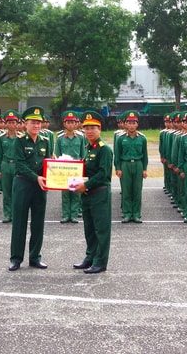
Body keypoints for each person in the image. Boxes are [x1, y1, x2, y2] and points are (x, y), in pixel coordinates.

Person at [8, 106, 51, 271]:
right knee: (19, 222)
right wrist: (36, 177)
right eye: (33, 123)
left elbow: (48, 163)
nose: (36, 126)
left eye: (39, 123)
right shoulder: (19, 141)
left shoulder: (46, 141)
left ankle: (35, 257)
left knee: (38, 223)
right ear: (25, 124)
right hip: (23, 184)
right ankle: (16, 258)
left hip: (40, 187)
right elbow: (20, 164)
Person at [72, 110, 112, 274]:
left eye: (93, 128)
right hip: (87, 194)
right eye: (86, 128)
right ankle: (90, 258)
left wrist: (85, 185)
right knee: (89, 229)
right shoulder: (88, 148)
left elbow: (104, 174)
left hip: (99, 194)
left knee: (101, 230)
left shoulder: (104, 149)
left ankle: (100, 262)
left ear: (99, 129)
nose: (89, 131)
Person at [114, 110, 148, 223]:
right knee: (126, 190)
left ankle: (136, 214)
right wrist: (118, 168)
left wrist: (144, 169)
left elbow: (145, 155)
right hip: (125, 165)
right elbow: (117, 154)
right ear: (125, 124)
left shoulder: (142, 138)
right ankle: (127, 213)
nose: (132, 125)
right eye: (129, 123)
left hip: (138, 164)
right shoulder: (121, 138)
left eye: (134, 123)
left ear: (137, 124)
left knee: (137, 191)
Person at [55, 110, 88, 223]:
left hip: (76, 169)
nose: (70, 124)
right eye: (68, 122)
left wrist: (82, 167)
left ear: (76, 124)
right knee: (65, 193)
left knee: (76, 193)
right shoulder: (59, 138)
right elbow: (57, 154)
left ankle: (73, 215)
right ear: (64, 124)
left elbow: (83, 153)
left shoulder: (80, 137)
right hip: (64, 169)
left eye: (72, 122)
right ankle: (65, 215)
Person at [0, 111, 21, 223]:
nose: (11, 124)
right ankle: (7, 214)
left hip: (16, 166)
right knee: (6, 192)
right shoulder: (1, 138)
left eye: (13, 122)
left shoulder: (21, 138)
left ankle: (16, 214)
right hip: (5, 165)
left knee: (17, 192)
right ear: (6, 124)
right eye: (9, 122)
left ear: (17, 124)